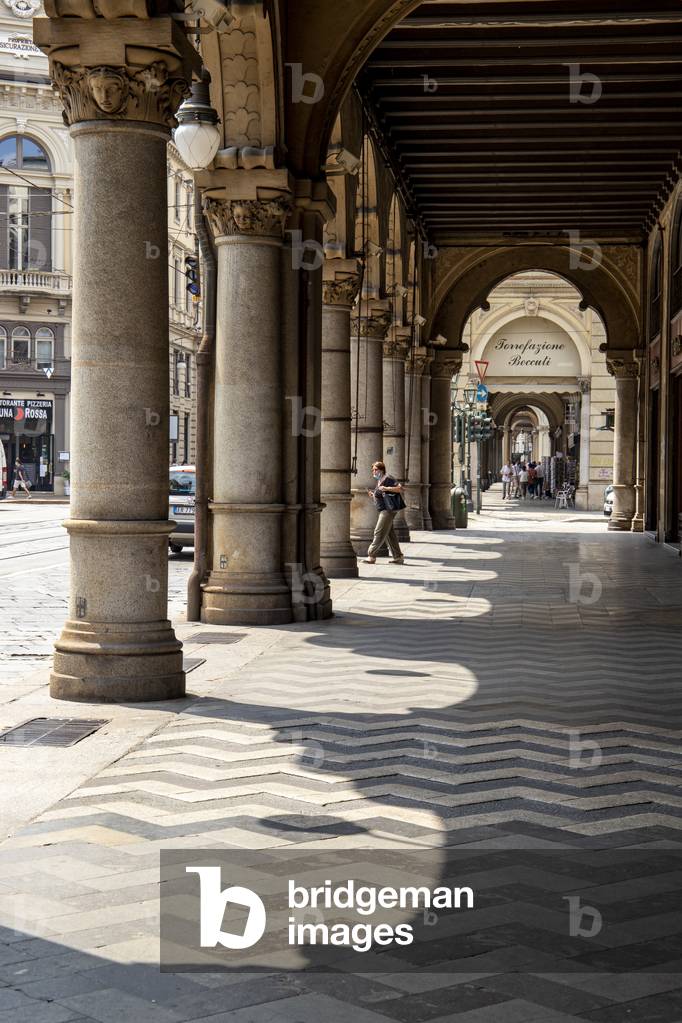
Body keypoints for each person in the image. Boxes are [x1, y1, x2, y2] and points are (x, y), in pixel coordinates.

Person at [363, 461, 404, 565]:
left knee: (379, 531)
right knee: (390, 534)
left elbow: (400, 488)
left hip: (388, 510)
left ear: (382, 469)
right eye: (373, 470)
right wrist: (373, 494)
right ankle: (398, 557)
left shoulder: (388, 478)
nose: (374, 471)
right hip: (383, 509)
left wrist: (386, 488)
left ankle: (371, 555)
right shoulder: (380, 480)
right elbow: (382, 495)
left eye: (376, 469)